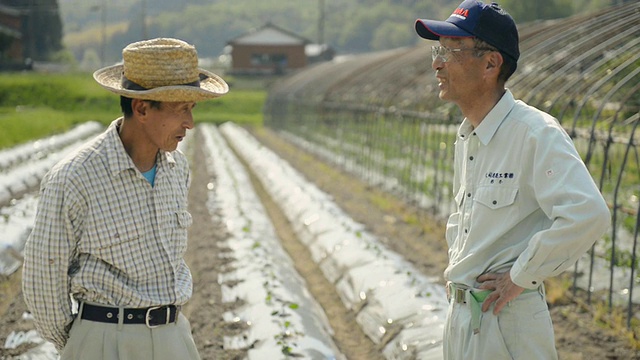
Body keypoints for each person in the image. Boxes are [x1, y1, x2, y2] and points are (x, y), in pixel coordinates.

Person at [415, 1, 610, 359]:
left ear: (491, 63)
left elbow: (588, 214)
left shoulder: (534, 133)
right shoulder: (469, 136)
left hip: (504, 322)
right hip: (464, 316)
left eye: (451, 50)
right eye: (437, 49)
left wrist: (520, 276)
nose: (437, 63)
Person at [22, 37, 228, 359]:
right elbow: (43, 278)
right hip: (105, 341)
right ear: (142, 108)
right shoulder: (75, 178)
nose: (190, 123)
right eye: (181, 110)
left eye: (192, 109)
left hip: (174, 338)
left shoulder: (177, 169)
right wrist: (83, 343)